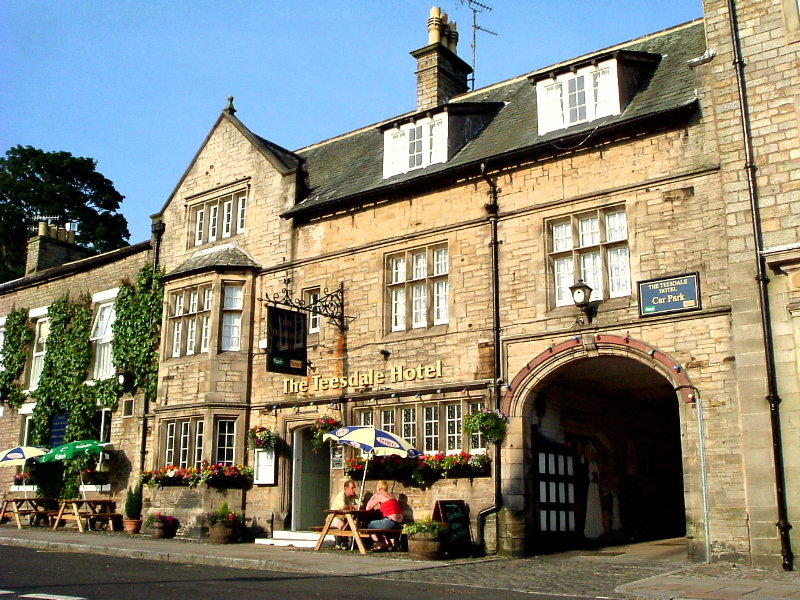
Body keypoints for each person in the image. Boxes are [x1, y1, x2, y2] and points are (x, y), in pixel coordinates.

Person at [365, 480, 403, 551]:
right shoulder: (392, 495)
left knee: (367, 525)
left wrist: (374, 496)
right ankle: (387, 543)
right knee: (379, 524)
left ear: (379, 487)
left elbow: (368, 508)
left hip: (390, 522)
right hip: (399, 523)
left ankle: (378, 543)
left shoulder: (380, 495)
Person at [331, 479, 359, 549]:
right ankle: (340, 541)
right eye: (352, 488)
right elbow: (343, 507)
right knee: (343, 525)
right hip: (334, 517)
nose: (354, 490)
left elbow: (360, 505)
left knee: (356, 524)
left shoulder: (354, 496)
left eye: (354, 488)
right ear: (346, 488)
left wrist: (357, 506)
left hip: (347, 518)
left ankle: (345, 542)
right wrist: (353, 507)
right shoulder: (341, 496)